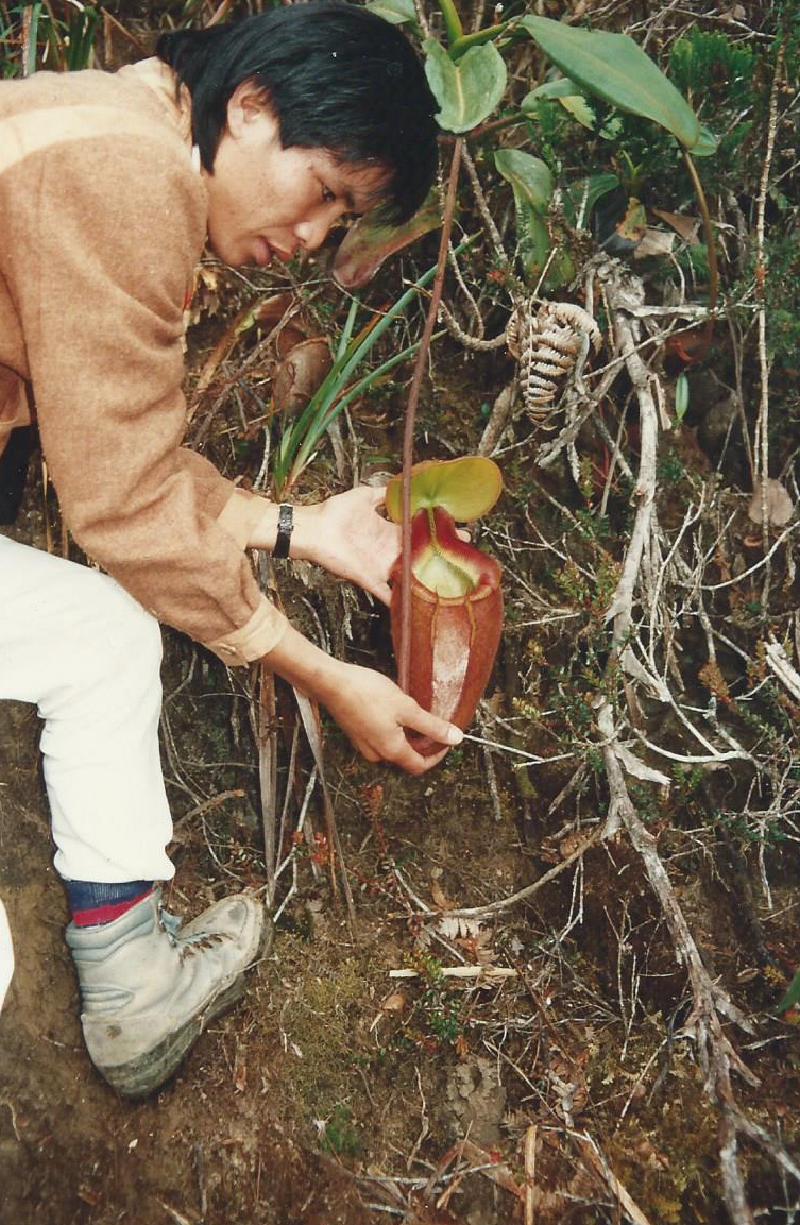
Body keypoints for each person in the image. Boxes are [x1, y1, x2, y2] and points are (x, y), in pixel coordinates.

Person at [0, 1, 461, 1098]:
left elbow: (121, 458)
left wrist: (303, 528)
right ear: (250, 107)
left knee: (97, 636)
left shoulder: (115, 122)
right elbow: (125, 508)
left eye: (340, 221)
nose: (310, 240)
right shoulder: (127, 177)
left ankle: (132, 982)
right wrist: (319, 670)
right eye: (322, 193)